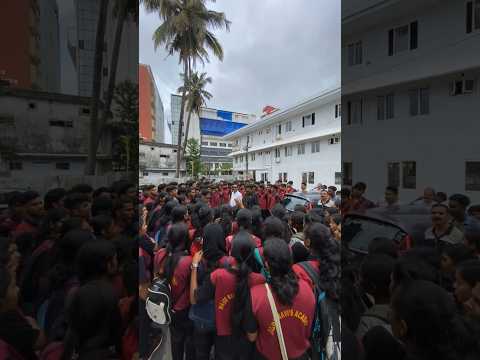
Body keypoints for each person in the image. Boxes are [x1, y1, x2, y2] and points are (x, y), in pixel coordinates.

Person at [191, 231, 265, 360]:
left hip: (223, 338)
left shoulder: (218, 276)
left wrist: (194, 267)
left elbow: (194, 298)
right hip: (248, 337)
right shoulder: (259, 280)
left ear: (231, 252)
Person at [244, 239, 315, 360]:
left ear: (266, 264)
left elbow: (252, 336)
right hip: (301, 355)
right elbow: (309, 328)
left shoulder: (255, 295)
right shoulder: (308, 288)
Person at [356, 254, 395, 340]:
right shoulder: (407, 309)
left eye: (360, 279)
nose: (358, 283)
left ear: (372, 287)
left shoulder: (366, 323)